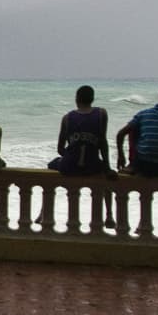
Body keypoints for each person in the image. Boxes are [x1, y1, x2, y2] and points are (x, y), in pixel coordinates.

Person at [43, 85, 116, 227]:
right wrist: (107, 166)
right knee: (107, 183)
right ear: (93, 99)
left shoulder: (67, 118)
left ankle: (44, 213)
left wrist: (70, 154)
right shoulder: (101, 114)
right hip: (92, 165)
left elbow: (60, 148)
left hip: (69, 165)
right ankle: (109, 215)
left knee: (50, 169)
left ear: (76, 99)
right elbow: (103, 142)